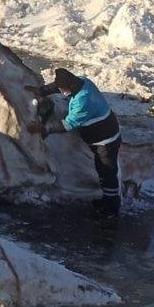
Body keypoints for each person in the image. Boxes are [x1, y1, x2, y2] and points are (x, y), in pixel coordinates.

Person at [26, 68, 122, 217]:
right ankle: (106, 200)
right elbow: (57, 86)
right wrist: (42, 90)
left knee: (107, 171)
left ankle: (111, 207)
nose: (62, 92)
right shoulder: (81, 81)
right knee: (102, 169)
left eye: (64, 90)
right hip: (99, 135)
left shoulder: (83, 100)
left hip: (105, 139)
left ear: (70, 87)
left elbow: (67, 125)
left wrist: (43, 129)